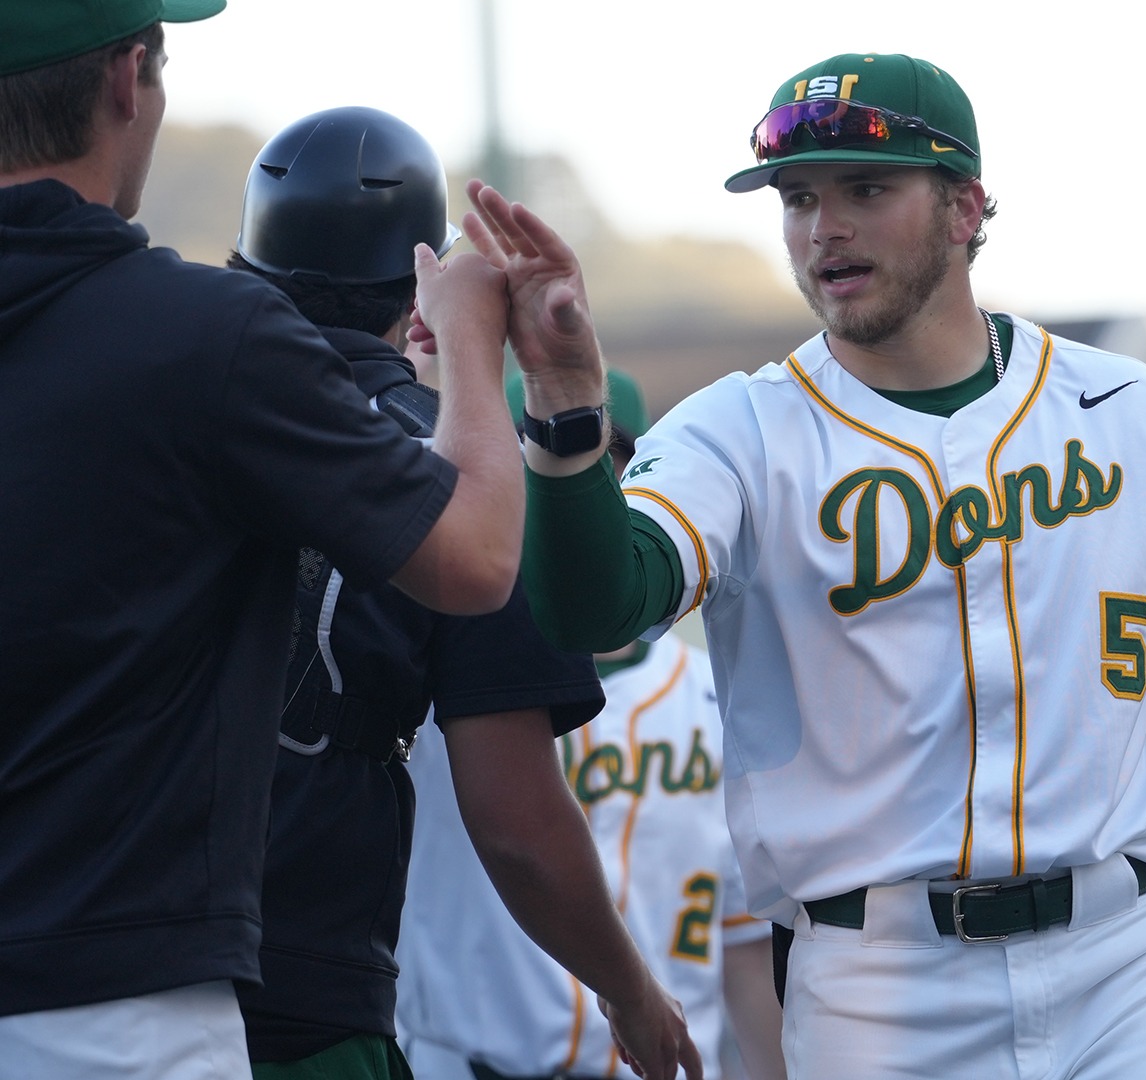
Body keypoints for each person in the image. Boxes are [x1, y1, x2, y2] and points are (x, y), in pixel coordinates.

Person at [465, 51, 1146, 1079]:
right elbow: (595, 611)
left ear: (966, 206)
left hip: (1127, 959)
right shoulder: (739, 432)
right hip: (879, 988)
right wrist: (569, 419)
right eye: (798, 198)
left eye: (866, 189)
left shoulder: (1124, 412)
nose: (822, 227)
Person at [0, 5, 526, 1077]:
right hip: (115, 1013)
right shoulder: (198, 338)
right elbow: (474, 559)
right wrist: (471, 344)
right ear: (125, 79)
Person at [221, 106, 702, 1080]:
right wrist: (629, 992)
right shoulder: (466, 473)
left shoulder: (153, 390)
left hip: (74, 977)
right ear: (417, 292)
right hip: (300, 1008)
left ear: (246, 269)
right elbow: (519, 826)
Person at [396, 403, 785, 1080]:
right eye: (539, 479)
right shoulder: (432, 686)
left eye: (592, 480)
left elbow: (745, 949)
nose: (566, 514)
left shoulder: (716, 701)